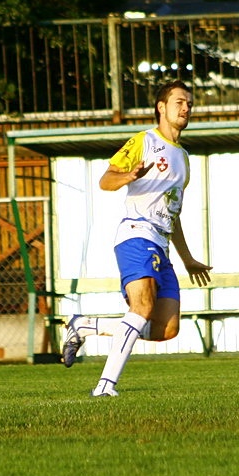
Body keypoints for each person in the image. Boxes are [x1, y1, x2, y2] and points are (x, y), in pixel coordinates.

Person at [61, 80, 212, 396]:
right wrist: (128, 176)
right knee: (142, 306)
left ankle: (84, 325)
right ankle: (105, 387)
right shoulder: (144, 141)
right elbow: (106, 180)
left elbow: (173, 212)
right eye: (179, 102)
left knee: (166, 329)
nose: (186, 109)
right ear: (162, 107)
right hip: (136, 232)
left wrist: (187, 259)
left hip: (162, 244)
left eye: (189, 104)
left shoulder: (183, 158)